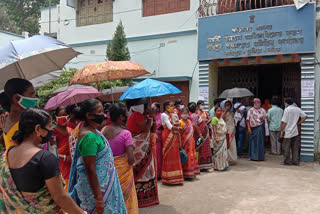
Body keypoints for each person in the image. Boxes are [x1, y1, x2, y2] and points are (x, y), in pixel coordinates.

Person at [0, 108, 84, 213]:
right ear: (38, 129)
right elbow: (60, 197)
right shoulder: (44, 158)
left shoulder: (7, 154)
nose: (51, 130)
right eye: (49, 126)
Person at [68, 99, 127, 214]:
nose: (103, 115)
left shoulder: (94, 131)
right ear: (89, 115)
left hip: (104, 187)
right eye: (99, 112)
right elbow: (90, 169)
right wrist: (99, 198)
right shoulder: (88, 137)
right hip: (99, 191)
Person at [102, 103, 138, 213]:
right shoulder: (126, 133)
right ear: (121, 117)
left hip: (107, 169)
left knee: (113, 195)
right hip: (123, 171)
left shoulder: (103, 130)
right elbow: (131, 159)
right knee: (126, 196)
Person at [126, 98, 159, 208]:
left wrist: (150, 117)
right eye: (141, 103)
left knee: (144, 170)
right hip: (140, 147)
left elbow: (152, 130)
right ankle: (143, 197)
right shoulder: (137, 115)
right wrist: (150, 117)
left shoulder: (134, 114)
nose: (143, 105)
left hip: (140, 146)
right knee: (144, 173)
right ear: (135, 104)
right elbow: (145, 130)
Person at [0, 78, 38, 151]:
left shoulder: (6, 119)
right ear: (17, 98)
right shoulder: (26, 121)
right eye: (31, 94)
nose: (35, 98)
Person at [161, 100, 184, 185]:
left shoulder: (172, 115)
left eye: (172, 106)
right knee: (169, 154)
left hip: (174, 135)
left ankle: (176, 177)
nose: (172, 107)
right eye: (170, 105)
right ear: (166, 106)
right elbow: (170, 127)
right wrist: (179, 128)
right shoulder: (163, 115)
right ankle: (168, 178)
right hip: (168, 135)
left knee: (175, 154)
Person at [280, 97, 307, 166]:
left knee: (286, 147)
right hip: (295, 131)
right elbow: (305, 116)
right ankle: (295, 161)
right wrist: (298, 123)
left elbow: (284, 122)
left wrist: (281, 130)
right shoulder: (297, 109)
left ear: (286, 103)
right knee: (295, 147)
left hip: (288, 132)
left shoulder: (287, 110)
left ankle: (287, 161)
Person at [52, 106, 72, 189]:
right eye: (60, 115)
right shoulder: (52, 133)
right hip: (61, 166)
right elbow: (50, 151)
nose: (62, 117)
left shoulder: (71, 130)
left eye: (65, 115)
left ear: (69, 116)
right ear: (56, 117)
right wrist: (64, 157)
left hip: (72, 165)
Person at [190, 102, 213, 171]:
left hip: (203, 134)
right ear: (196, 108)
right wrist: (200, 135)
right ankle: (201, 166)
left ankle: (203, 165)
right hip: (201, 135)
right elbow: (195, 125)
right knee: (202, 150)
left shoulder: (194, 115)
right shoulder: (194, 116)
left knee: (202, 149)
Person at [179, 108, 200, 179]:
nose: (185, 115)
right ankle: (185, 174)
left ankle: (191, 172)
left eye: (186, 113)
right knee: (185, 157)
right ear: (181, 114)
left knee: (191, 157)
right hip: (184, 143)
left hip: (191, 143)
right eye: (183, 113)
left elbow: (193, 130)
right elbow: (179, 134)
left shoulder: (189, 121)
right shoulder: (179, 122)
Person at [151, 102, 163, 179]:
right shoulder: (150, 116)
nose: (152, 110)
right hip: (152, 137)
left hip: (159, 137)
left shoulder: (161, 116)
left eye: (153, 108)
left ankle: (159, 173)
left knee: (159, 155)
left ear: (158, 109)